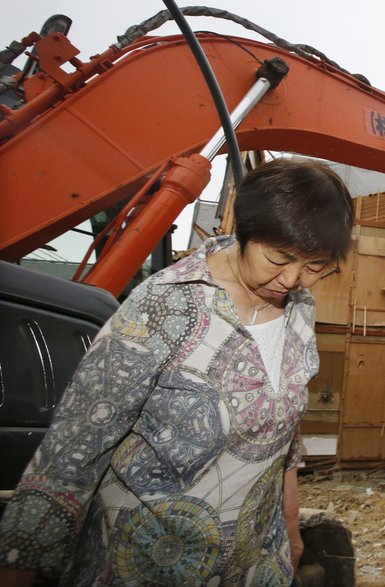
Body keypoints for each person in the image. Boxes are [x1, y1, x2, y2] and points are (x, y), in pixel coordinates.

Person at [0, 158, 354, 586]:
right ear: (246, 229)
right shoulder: (166, 303)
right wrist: (19, 564)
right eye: (279, 257)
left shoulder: (300, 311)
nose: (293, 279)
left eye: (315, 267)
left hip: (253, 563)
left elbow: (283, 430)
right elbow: (77, 441)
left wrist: (291, 527)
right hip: (147, 562)